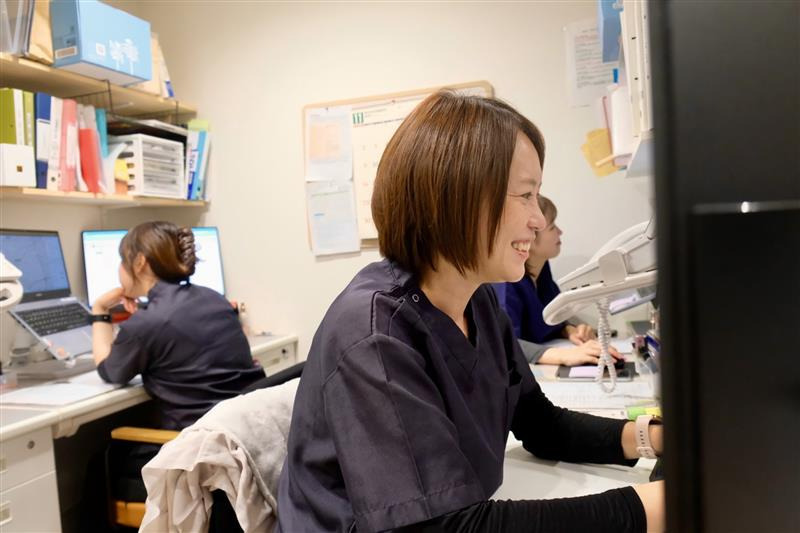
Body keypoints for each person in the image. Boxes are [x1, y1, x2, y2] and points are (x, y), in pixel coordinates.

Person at [277, 91, 664, 532]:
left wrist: (652, 438)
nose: (538, 221)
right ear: (456, 199)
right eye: (526, 195)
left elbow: (541, 426)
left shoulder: (476, 300)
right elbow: (441, 528)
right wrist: (653, 506)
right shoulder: (376, 334)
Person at [91, 221, 265, 430]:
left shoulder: (149, 321)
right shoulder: (214, 298)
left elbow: (110, 372)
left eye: (122, 260)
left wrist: (100, 310)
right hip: (241, 435)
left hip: (194, 447)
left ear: (140, 262)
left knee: (102, 458)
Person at [496, 195, 621, 366]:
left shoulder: (540, 270)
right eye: (553, 227)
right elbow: (503, 344)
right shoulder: (506, 283)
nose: (560, 232)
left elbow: (551, 317)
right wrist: (562, 355)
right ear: (528, 237)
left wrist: (569, 330)